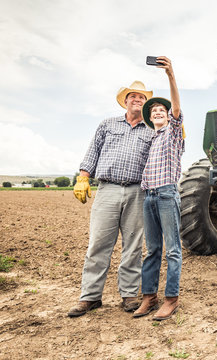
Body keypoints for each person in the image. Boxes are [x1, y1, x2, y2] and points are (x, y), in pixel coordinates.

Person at [68, 80, 155, 317]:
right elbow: (93, 151)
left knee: (133, 246)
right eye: (132, 96)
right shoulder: (107, 124)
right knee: (98, 243)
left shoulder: (151, 129)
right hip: (107, 189)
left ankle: (128, 295)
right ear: (125, 101)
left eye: (141, 97)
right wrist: (83, 177)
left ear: (146, 104)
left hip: (138, 191)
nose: (137, 100)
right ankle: (90, 297)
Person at [133, 56, 185, 321]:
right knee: (152, 249)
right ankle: (149, 297)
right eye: (153, 111)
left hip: (166, 194)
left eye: (161, 111)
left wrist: (171, 75)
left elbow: (176, 106)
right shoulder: (151, 140)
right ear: (150, 118)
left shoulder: (174, 133)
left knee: (173, 249)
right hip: (149, 197)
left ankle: (171, 299)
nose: (157, 112)